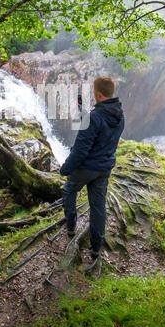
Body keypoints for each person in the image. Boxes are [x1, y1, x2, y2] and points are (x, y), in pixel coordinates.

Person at [59, 76, 125, 259]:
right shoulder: (120, 116)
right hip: (104, 168)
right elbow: (101, 131)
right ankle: (96, 246)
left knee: (68, 190)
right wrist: (83, 112)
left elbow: (80, 150)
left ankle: (71, 227)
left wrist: (65, 169)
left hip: (86, 168)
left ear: (98, 94)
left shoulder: (93, 118)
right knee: (98, 206)